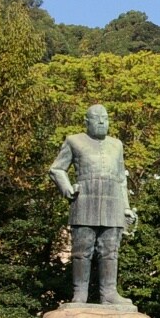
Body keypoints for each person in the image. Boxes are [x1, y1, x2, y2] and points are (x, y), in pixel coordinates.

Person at [49, 104, 137, 306]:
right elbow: (56, 169)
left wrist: (125, 207)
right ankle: (80, 293)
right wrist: (67, 188)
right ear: (86, 121)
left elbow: (121, 178)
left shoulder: (117, 145)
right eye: (97, 118)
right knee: (82, 250)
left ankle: (109, 293)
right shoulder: (74, 141)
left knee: (110, 250)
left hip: (113, 203)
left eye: (105, 119)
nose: (101, 122)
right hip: (84, 201)